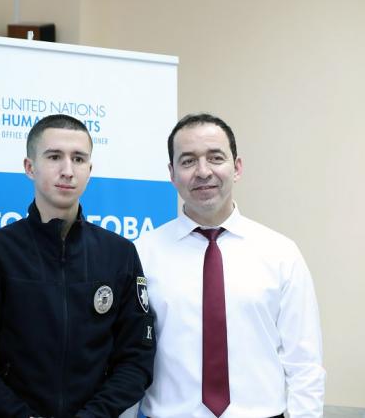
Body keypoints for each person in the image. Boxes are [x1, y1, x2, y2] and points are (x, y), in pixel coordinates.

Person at [0, 114, 155, 418]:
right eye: (54, 157)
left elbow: (136, 358)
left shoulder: (120, 253)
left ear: (90, 170)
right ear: (29, 167)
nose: (68, 170)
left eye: (78, 159)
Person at [137, 113, 325, 418]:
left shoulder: (281, 253)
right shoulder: (142, 254)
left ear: (236, 167)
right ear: (172, 173)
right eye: (188, 161)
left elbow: (304, 363)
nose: (203, 171)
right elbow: (129, 358)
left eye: (215, 158)